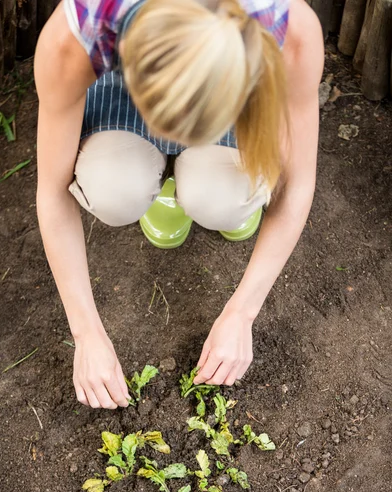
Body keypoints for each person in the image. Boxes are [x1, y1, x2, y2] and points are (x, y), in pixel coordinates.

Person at [34, 0, 324, 410]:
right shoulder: (79, 35)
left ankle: (208, 189)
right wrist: (85, 333)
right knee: (114, 187)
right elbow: (50, 190)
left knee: (223, 197)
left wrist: (242, 313)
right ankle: (157, 182)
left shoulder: (289, 32)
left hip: (227, 70)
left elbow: (298, 182)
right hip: (121, 93)